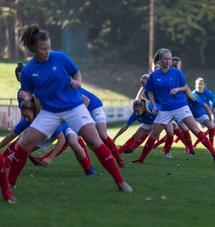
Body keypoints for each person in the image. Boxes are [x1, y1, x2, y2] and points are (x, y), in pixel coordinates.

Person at [8, 24, 132, 195]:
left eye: (49, 47)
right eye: (43, 49)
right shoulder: (29, 70)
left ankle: (120, 182)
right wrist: (26, 96)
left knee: (95, 142)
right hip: (49, 112)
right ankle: (9, 184)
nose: (47, 51)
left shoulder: (60, 58)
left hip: (73, 107)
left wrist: (77, 82)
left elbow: (76, 73)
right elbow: (28, 92)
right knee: (24, 144)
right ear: (34, 49)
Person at [132, 48, 215, 166]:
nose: (168, 61)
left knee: (195, 129)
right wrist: (154, 105)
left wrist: (178, 89)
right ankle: (141, 159)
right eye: (165, 59)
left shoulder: (177, 73)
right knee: (154, 134)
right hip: (164, 109)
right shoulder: (154, 76)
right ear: (159, 60)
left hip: (180, 106)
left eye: (170, 59)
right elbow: (149, 91)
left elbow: (185, 87)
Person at [79, 88, 126, 168]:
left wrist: (80, 116)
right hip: (85, 111)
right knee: (88, 141)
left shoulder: (69, 87)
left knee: (102, 134)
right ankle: (89, 167)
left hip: (95, 108)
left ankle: (120, 161)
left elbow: (86, 100)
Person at [192, 77, 215, 146]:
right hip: (193, 116)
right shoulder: (192, 94)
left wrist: (212, 107)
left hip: (204, 115)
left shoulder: (207, 92)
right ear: (195, 85)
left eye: (201, 84)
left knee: (212, 127)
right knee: (180, 129)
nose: (200, 86)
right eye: (198, 84)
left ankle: (213, 143)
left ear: (204, 85)